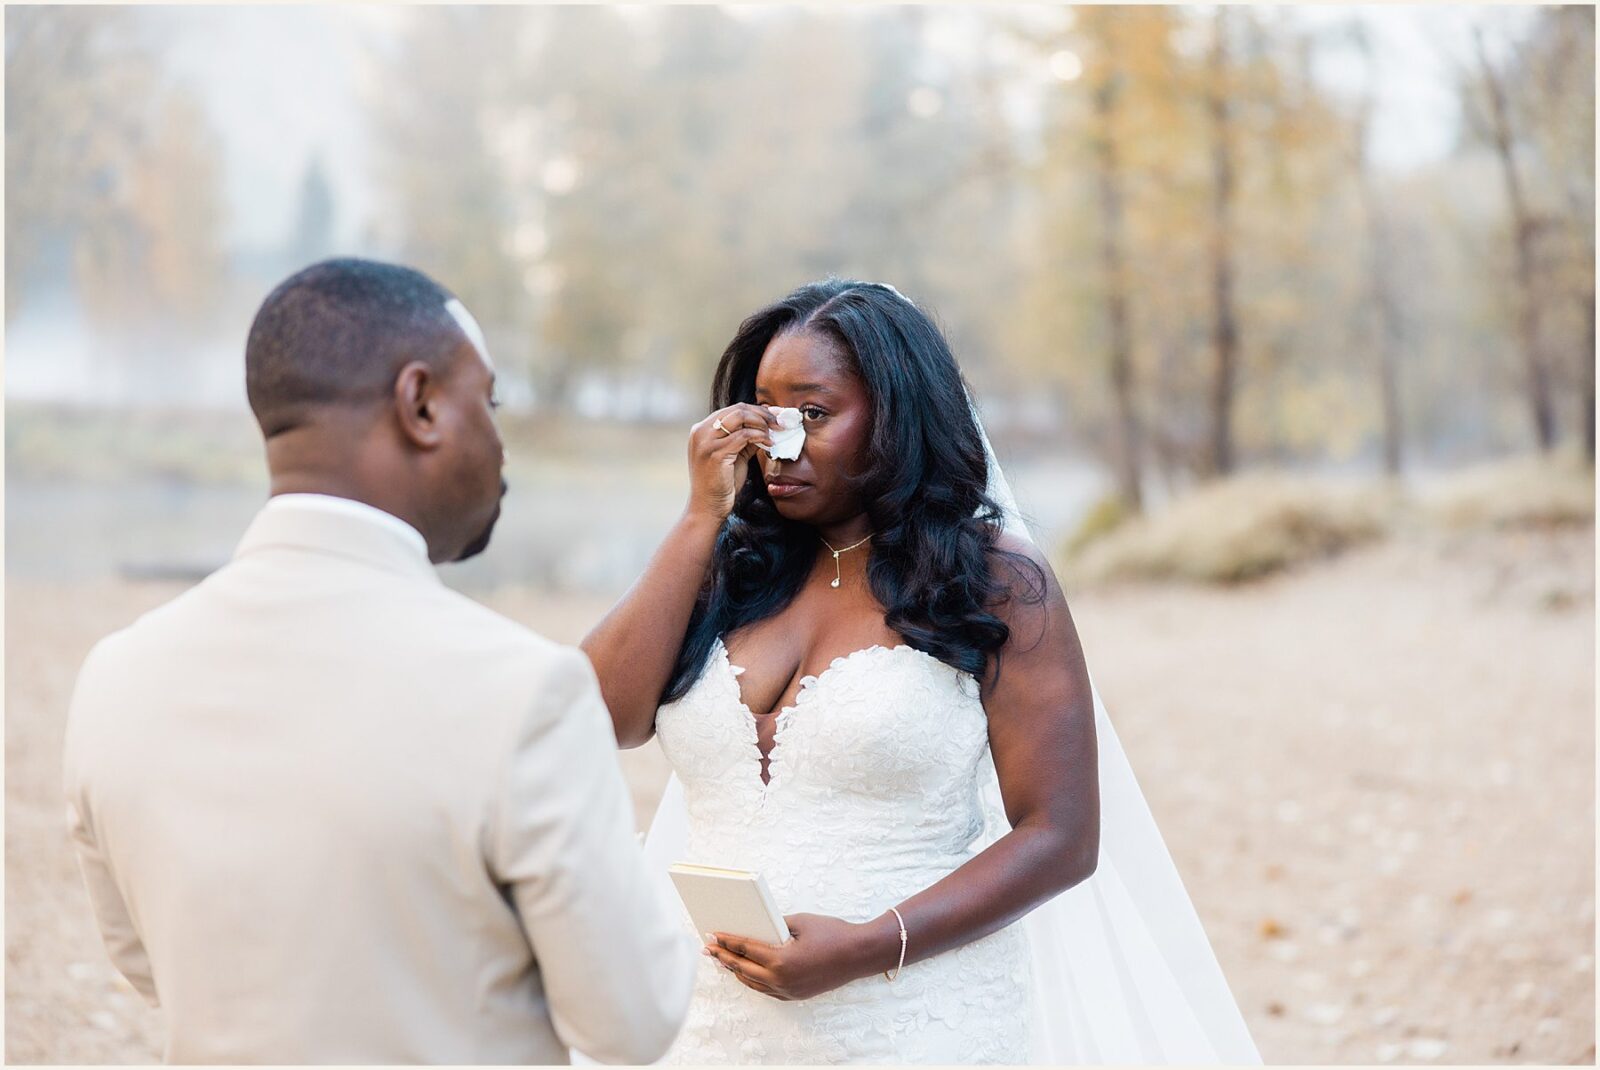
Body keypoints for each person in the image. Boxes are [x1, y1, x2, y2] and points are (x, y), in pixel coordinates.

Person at [582, 278, 1262, 1064]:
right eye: (764, 413)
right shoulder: (730, 568)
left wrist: (872, 945)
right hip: (709, 1019)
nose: (779, 444)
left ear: (896, 418)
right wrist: (700, 517)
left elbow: (1061, 836)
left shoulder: (995, 582)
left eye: (813, 414)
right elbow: (596, 719)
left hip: (913, 1017)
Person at [61, 258, 696, 1064]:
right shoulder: (522, 692)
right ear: (420, 404)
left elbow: (143, 963)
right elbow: (633, 1018)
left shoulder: (116, 675)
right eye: (489, 403)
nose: (500, 441)